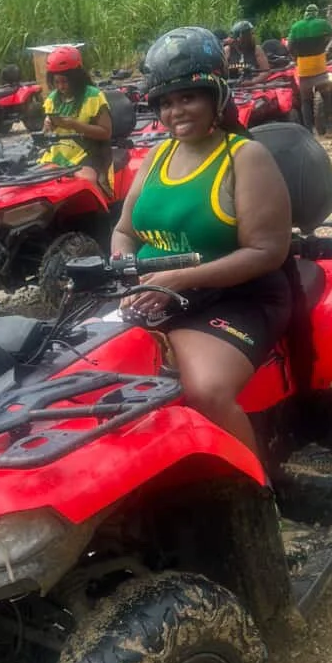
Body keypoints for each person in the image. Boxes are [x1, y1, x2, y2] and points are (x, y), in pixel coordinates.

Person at [112, 26, 293, 459]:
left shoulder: (244, 156)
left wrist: (178, 278)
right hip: (155, 293)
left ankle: (258, 502)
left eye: (189, 97)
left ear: (216, 96)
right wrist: (125, 273)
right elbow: (123, 231)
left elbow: (267, 251)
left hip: (238, 298)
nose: (177, 111)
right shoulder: (155, 157)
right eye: (167, 102)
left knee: (204, 390)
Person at [41, 46, 112, 188]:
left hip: (87, 153)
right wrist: (47, 125)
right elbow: (45, 134)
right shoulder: (51, 99)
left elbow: (106, 133)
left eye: (65, 81)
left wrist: (74, 125)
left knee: (85, 182)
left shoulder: (93, 96)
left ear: (76, 78)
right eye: (57, 82)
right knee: (42, 184)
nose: (61, 87)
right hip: (58, 156)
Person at [287, 3, 332, 133]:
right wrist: (329, 18)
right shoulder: (322, 23)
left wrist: (296, 57)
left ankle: (308, 131)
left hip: (304, 69)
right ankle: (330, 127)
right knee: (326, 96)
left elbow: (289, 46)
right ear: (316, 13)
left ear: (305, 13)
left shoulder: (296, 26)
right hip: (319, 66)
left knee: (306, 101)